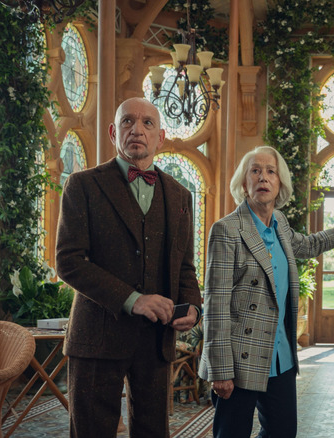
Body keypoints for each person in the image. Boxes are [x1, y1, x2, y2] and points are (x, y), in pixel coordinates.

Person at [199, 146, 334, 438]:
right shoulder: (227, 229)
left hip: (280, 356)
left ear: (280, 183)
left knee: (283, 433)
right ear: (244, 183)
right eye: (255, 171)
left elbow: (309, 245)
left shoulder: (279, 223)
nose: (263, 177)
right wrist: (221, 371)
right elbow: (215, 304)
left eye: (271, 171)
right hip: (238, 360)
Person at [56, 97, 201, 437]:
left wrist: (193, 306)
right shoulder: (82, 185)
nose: (137, 129)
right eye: (127, 122)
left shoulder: (180, 195)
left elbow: (185, 266)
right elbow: (69, 261)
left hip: (155, 341)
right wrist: (133, 298)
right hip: (96, 337)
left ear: (160, 137)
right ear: (112, 132)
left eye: (148, 123)